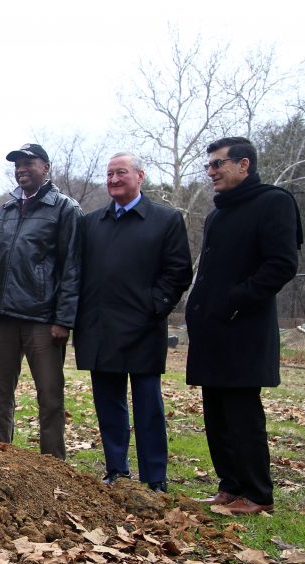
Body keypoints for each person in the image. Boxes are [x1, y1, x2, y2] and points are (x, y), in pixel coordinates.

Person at [185, 136, 300, 515]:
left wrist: (236, 300)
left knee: (242, 414)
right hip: (212, 331)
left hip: (244, 330)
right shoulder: (219, 213)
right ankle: (229, 487)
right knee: (216, 413)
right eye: (209, 166)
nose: (211, 172)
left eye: (218, 164)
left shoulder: (274, 202)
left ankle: (257, 493)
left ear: (244, 165)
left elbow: (281, 264)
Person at [75, 153, 192, 492]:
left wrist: (153, 307)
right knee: (109, 406)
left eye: (121, 173)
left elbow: (178, 272)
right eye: (109, 174)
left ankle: (154, 478)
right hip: (100, 329)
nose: (113, 179)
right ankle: (116, 471)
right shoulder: (91, 224)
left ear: (140, 176)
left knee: (148, 408)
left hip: (144, 328)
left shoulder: (165, 220)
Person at [0, 143, 81, 459]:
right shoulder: (5, 211)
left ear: (46, 167)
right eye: (17, 164)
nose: (22, 168)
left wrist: (64, 319)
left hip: (42, 318)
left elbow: (72, 267)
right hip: (4, 318)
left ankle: (52, 463)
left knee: (50, 396)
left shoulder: (65, 209)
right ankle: (0, 457)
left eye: (29, 162)